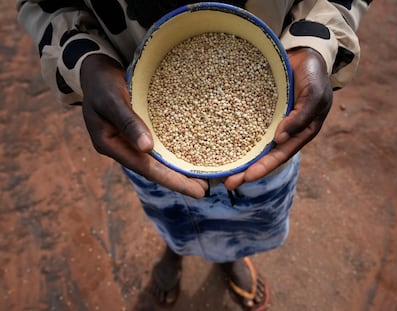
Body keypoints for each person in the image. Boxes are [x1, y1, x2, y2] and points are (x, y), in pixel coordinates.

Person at [17, 0, 371, 310]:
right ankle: (176, 249)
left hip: (272, 130)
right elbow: (45, 4)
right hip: (137, 116)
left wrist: (315, 43)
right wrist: (85, 62)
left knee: (253, 209)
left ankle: (230, 254)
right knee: (170, 205)